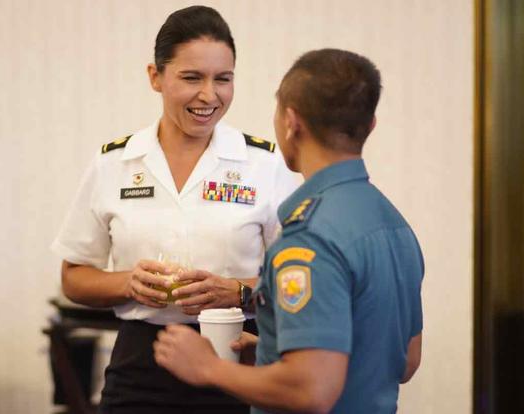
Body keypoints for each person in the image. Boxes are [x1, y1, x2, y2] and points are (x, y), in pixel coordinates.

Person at [51, 5, 300, 414]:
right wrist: (129, 283)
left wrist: (237, 291)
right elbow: (74, 277)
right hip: (141, 362)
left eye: (223, 79)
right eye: (191, 78)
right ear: (155, 76)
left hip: (238, 355)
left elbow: (298, 280)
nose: (209, 95)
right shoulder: (115, 163)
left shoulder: (264, 164)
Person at [154, 48, 424, 414]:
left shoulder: (310, 239)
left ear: (291, 122)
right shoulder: (393, 224)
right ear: (370, 125)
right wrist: (273, 359)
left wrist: (209, 367)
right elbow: (406, 361)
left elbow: (310, 390)